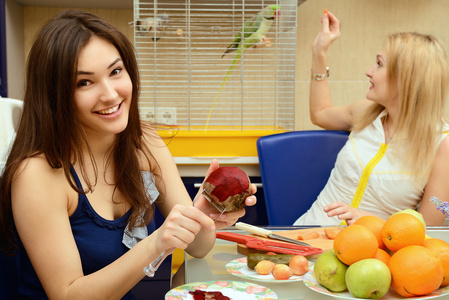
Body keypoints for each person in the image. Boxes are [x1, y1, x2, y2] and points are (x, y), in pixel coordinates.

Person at [0, 10, 256, 299]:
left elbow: (198, 247)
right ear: (55, 95)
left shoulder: (144, 142)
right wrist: (157, 242)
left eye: (115, 71)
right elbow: (67, 295)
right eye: (84, 82)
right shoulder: (38, 173)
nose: (110, 94)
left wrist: (204, 217)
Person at [294, 10, 449, 226]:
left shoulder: (441, 144)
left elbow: (428, 230)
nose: (368, 71)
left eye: (379, 64)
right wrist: (319, 51)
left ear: (405, 78)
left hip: (368, 253)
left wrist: (370, 221)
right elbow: (320, 113)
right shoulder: (368, 113)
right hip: (308, 238)